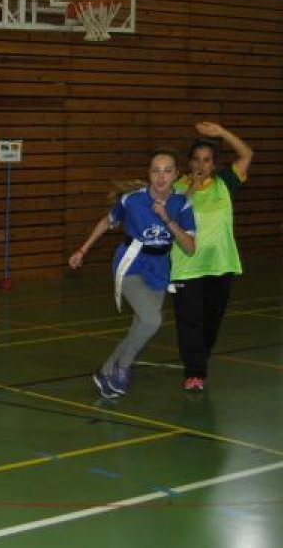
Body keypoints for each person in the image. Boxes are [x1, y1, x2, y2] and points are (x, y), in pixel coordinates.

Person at [69, 150, 196, 398]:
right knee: (152, 320)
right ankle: (123, 367)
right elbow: (107, 222)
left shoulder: (182, 204)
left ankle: (105, 372)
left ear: (176, 175)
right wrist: (82, 250)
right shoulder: (132, 200)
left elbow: (190, 247)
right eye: (155, 171)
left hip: (159, 267)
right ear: (148, 174)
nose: (161, 177)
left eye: (167, 171)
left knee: (141, 325)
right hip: (130, 262)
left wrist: (168, 219)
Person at [170, 122, 252, 391]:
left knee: (211, 321)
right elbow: (171, 216)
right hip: (186, 266)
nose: (201, 164)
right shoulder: (176, 187)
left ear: (213, 164)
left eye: (206, 160)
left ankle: (199, 359)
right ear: (189, 162)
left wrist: (222, 133)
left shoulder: (224, 184)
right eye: (196, 159)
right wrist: (191, 188)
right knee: (189, 321)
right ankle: (194, 372)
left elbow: (247, 155)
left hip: (220, 265)